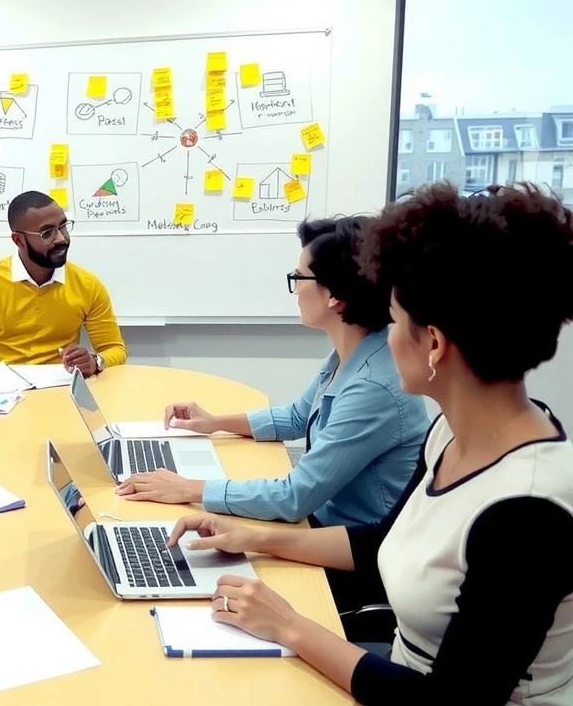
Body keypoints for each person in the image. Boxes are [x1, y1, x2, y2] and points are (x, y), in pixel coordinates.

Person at [165, 183, 573, 706]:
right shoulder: (451, 433)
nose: (384, 336)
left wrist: (290, 625)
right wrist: (252, 537)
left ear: (432, 343)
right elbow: (384, 544)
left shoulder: (528, 513)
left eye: (395, 319)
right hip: (400, 684)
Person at [117, 216, 430, 528]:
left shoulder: (373, 387)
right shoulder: (354, 351)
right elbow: (297, 416)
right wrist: (214, 422)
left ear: (335, 295)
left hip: (353, 548)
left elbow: (294, 497)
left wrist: (188, 488)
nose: (295, 291)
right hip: (323, 522)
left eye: (299, 278)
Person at [0, 190, 127, 376]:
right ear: (18, 240)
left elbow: (114, 348)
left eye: (63, 226)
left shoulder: (88, 285)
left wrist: (96, 362)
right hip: (3, 395)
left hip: (62, 392)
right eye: (47, 233)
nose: (62, 238)